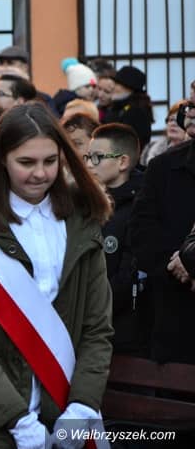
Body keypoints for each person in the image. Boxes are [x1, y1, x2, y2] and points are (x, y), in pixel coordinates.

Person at [0, 102, 113, 448]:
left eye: (50, 161)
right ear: (2, 160)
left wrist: (82, 406)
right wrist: (17, 420)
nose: (40, 174)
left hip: (66, 406)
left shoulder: (82, 224)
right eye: (26, 162)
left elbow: (97, 328)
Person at [130, 99, 195, 363]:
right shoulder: (163, 167)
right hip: (176, 314)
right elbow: (141, 232)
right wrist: (180, 267)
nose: (190, 113)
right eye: (190, 105)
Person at [85, 123, 149, 357]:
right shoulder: (84, 202)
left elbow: (129, 274)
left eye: (97, 158)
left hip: (125, 331)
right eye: (87, 157)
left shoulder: (142, 206)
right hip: (86, 328)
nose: (89, 165)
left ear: (122, 162)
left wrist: (92, 310)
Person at [102, 65, 152, 149]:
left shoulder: (136, 112)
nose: (113, 87)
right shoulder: (116, 106)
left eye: (117, 84)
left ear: (129, 88)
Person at [140, 100, 190, 167]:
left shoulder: (191, 154)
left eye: (178, 120)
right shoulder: (150, 150)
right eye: (171, 119)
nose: (173, 124)